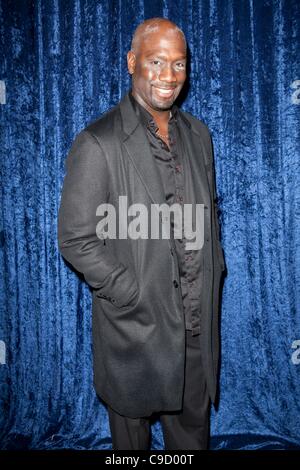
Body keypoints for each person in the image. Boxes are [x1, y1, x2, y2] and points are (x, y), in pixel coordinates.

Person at [58, 17, 225, 450]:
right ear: (132, 62)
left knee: (191, 442)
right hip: (136, 327)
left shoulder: (199, 135)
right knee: (131, 448)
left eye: (179, 64)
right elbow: (76, 238)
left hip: (194, 325)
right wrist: (129, 290)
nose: (169, 76)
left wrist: (214, 264)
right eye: (156, 61)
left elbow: (209, 211)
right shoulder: (98, 142)